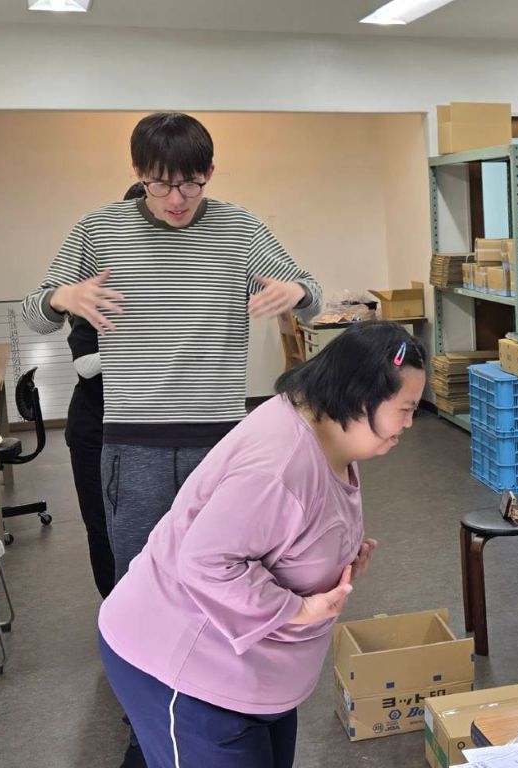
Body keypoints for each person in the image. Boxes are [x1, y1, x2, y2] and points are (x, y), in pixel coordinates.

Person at [98, 321, 420, 767]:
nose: (410, 422)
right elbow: (207, 562)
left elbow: (287, 529)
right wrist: (298, 610)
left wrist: (337, 559)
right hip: (185, 667)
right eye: (406, 408)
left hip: (253, 677)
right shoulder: (281, 465)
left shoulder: (332, 431)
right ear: (360, 396)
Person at [21, 112, 322, 586]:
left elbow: (312, 295)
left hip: (219, 438)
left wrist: (298, 293)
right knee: (140, 573)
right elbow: (32, 316)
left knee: (224, 567)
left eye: (191, 184)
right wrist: (60, 298)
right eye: (160, 185)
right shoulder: (98, 230)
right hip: (133, 441)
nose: (177, 199)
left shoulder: (240, 228)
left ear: (210, 172)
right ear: (139, 173)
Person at [65, 182, 148, 599]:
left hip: (149, 430)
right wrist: (144, 344)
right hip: (96, 429)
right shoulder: (99, 292)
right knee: (104, 526)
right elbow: (84, 365)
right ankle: (117, 609)